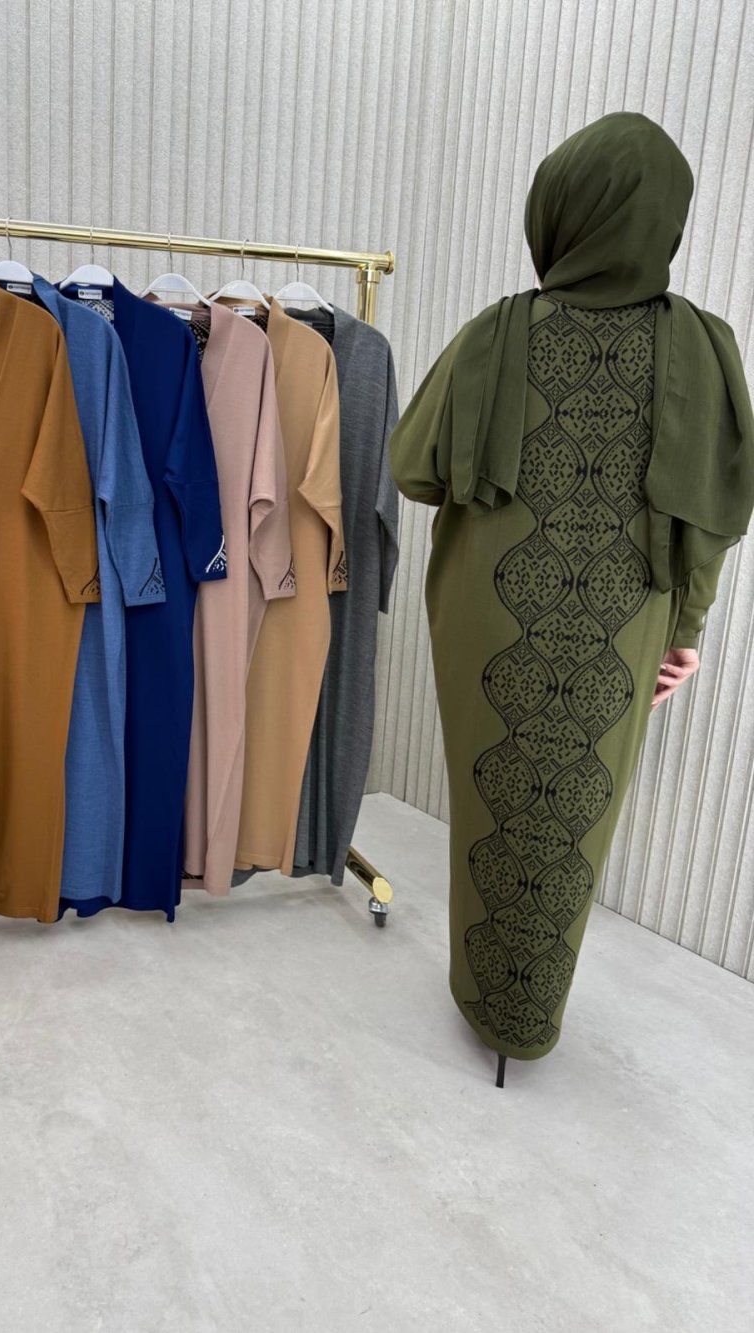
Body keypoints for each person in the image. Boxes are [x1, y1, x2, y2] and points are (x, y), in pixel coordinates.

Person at [389, 113, 754, 1081]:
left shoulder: (498, 331)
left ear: (557, 212)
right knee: (573, 814)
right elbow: (714, 513)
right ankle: (527, 1008)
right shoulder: (704, 346)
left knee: (491, 801)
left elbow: (412, 468)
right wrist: (684, 629)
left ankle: (489, 997)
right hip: (625, 623)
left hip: (485, 618)